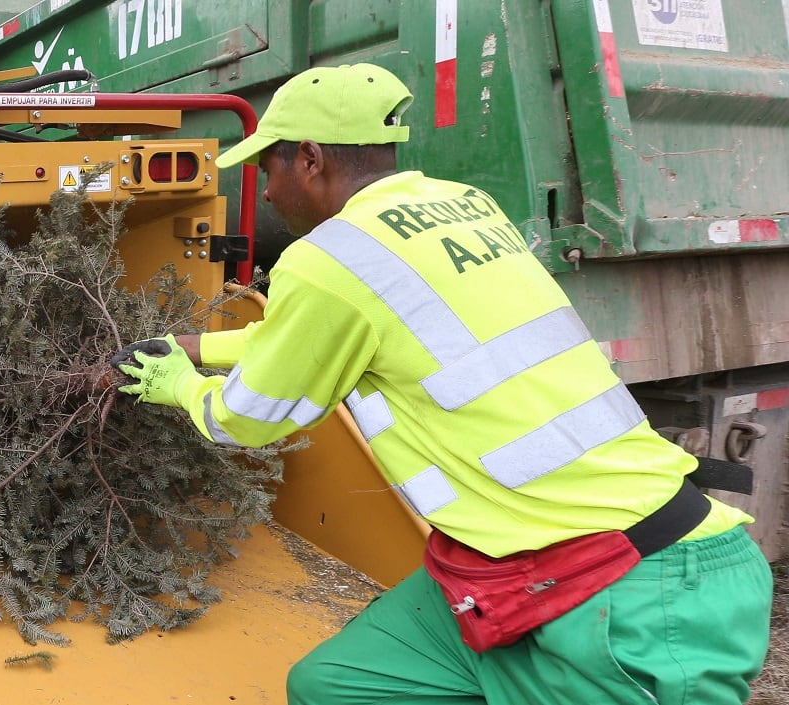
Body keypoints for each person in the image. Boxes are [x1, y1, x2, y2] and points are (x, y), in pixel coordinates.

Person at [110, 63, 772, 705]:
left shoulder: (326, 257)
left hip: (636, 594)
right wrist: (192, 346)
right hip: (525, 556)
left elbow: (248, 418)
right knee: (332, 684)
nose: (267, 191)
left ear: (308, 158)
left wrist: (179, 386)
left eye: (267, 166)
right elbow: (329, 334)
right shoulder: (459, 205)